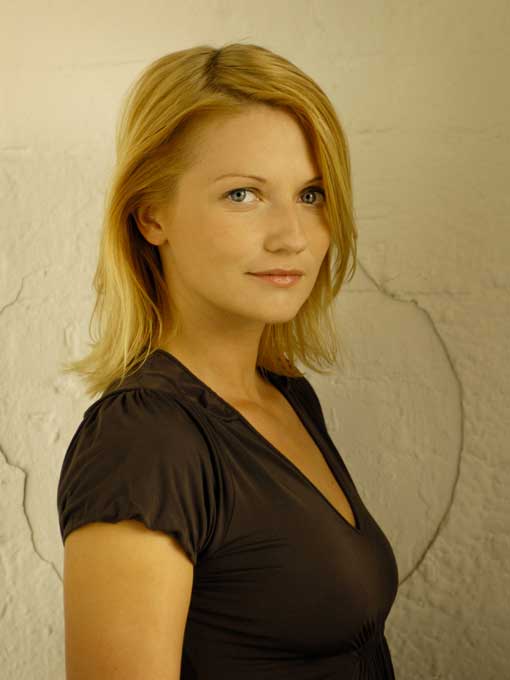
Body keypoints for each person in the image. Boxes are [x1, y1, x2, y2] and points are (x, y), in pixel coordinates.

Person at [57, 42, 399, 679]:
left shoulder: (285, 395)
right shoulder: (144, 441)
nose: (292, 237)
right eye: (243, 194)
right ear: (151, 215)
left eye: (311, 194)